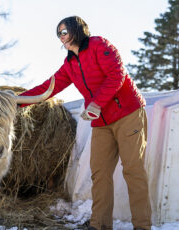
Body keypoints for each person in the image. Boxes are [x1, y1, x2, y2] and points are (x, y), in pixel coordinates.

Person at [18, 16, 151, 230]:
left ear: (77, 30)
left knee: (133, 170)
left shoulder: (100, 45)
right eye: (58, 34)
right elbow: (48, 88)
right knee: (99, 174)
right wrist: (17, 102)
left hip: (127, 113)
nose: (61, 37)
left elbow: (117, 75)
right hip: (101, 122)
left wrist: (96, 103)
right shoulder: (69, 64)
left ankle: (142, 226)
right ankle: (99, 226)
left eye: (64, 32)